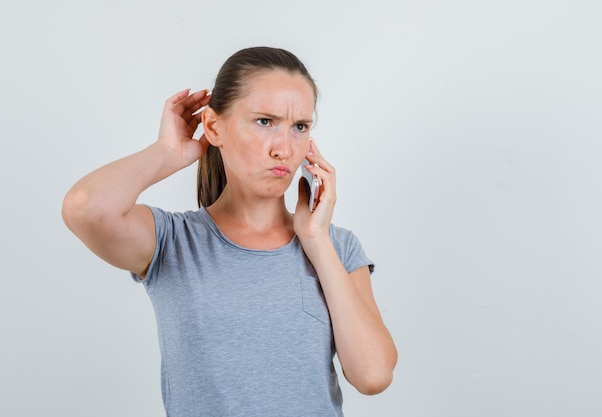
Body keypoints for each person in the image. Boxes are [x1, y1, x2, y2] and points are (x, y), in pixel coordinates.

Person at [62, 46, 397, 417]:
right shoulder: (173, 242)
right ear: (214, 127)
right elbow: (85, 208)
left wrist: (316, 241)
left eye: (299, 127)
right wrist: (168, 151)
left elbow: (372, 375)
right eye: (264, 121)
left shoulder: (338, 247)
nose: (284, 149)